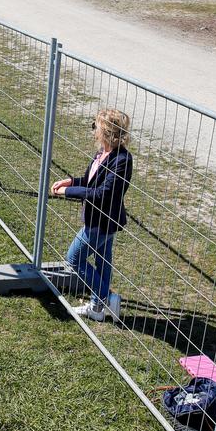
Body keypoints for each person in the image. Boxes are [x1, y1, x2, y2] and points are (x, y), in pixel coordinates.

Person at [50, 109, 134, 323]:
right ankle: (97, 307)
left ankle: (106, 297)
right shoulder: (101, 153)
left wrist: (67, 193)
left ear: (106, 131)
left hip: (103, 222)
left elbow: (102, 194)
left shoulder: (122, 159)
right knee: (102, 261)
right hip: (95, 219)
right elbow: (90, 181)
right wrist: (70, 182)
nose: (93, 130)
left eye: (95, 126)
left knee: (74, 258)